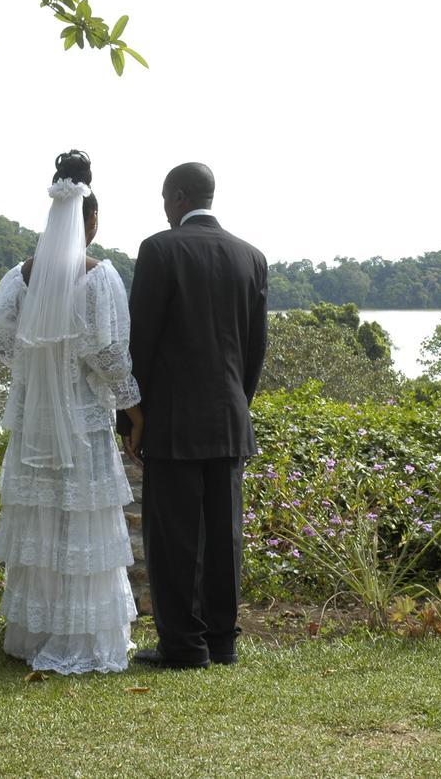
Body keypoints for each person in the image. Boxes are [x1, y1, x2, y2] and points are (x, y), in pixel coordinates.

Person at [0, 150, 144, 674]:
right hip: (83, 421)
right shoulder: (99, 278)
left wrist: (32, 365)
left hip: (34, 422)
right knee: (81, 524)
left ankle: (35, 633)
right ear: (90, 220)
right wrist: (134, 410)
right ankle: (82, 637)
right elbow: (110, 355)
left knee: (42, 524)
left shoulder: (20, 277)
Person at [120, 161, 267, 669]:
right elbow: (255, 351)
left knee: (174, 537)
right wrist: (235, 408)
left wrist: (131, 418)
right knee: (224, 536)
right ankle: (222, 642)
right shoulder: (252, 257)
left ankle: (183, 645)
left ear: (179, 197)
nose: (163, 208)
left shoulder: (160, 249)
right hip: (228, 418)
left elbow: (139, 342)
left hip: (173, 422)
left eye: (165, 198)